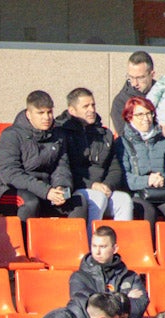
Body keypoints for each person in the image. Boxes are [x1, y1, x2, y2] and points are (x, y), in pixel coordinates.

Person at [0, 90, 84, 222]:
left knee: (79, 204)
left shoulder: (58, 136)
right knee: (30, 202)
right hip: (7, 190)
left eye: (49, 112)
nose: (46, 117)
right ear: (29, 114)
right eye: (41, 113)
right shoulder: (11, 135)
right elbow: (10, 174)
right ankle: (24, 241)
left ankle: (74, 242)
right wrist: (46, 191)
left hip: (45, 191)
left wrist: (61, 187)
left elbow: (62, 168)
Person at [58, 87, 132, 225]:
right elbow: (64, 169)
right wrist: (92, 185)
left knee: (124, 200)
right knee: (98, 198)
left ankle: (119, 245)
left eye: (93, 105)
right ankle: (93, 244)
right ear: (72, 110)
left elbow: (115, 168)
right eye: (85, 106)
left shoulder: (105, 134)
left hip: (102, 189)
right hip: (76, 190)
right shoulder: (62, 134)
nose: (91, 109)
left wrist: (107, 185)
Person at [115, 97, 165, 226]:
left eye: (149, 113)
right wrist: (147, 181)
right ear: (129, 117)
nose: (146, 119)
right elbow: (124, 176)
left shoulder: (163, 141)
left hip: (161, 192)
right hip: (136, 193)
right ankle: (148, 245)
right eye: (140, 115)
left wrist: (164, 178)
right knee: (148, 210)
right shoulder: (122, 143)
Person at [68, 226, 148, 318]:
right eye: (94, 246)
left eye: (102, 247)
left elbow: (138, 309)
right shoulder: (79, 277)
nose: (97, 252)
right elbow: (88, 307)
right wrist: (124, 298)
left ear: (114, 248)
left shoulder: (130, 277)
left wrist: (100, 297)